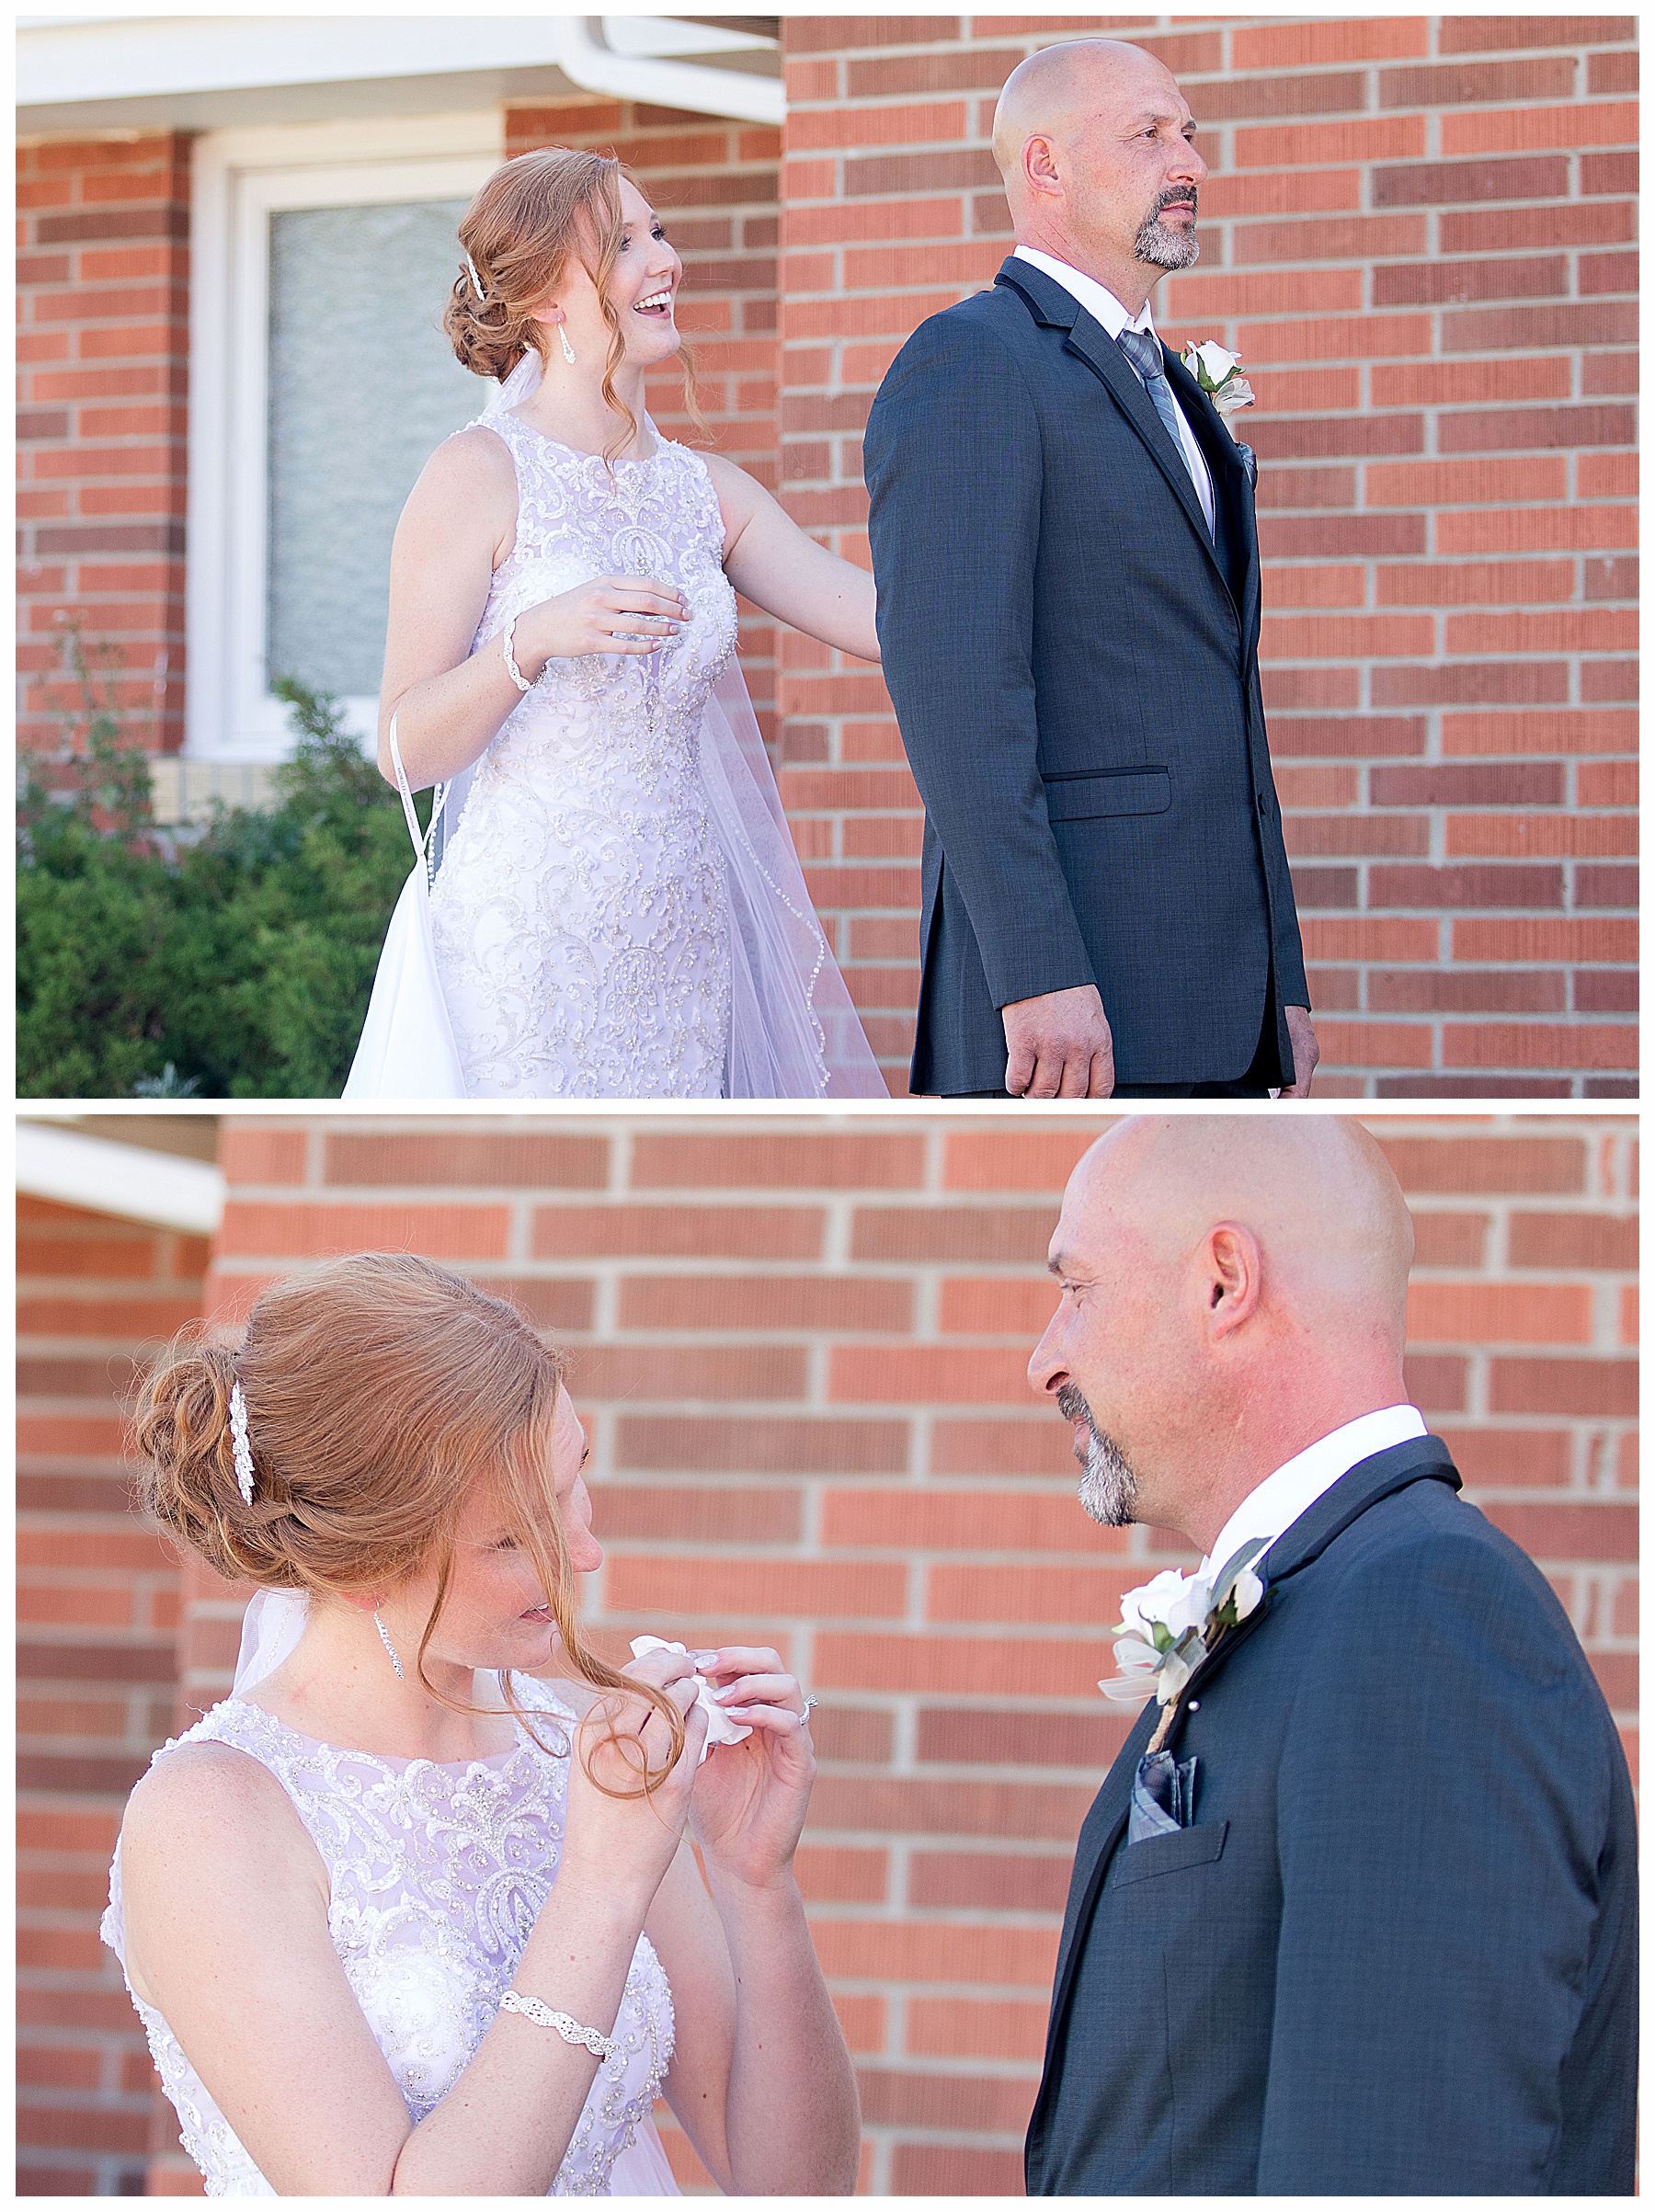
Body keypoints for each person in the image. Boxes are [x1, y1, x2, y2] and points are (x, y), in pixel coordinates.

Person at [103, 1253, 861, 2196]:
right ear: (363, 1567)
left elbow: (795, 2188)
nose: (583, 1552)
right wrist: (601, 1882)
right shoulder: (208, 1821)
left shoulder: (576, 1755)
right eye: (515, 1535)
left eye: (577, 1476)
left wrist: (755, 1878)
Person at [1023, 1118, 1636, 2193]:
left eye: (1076, 1288)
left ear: (1223, 1282)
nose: (1045, 1358)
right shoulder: (1330, 1600)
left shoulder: (1419, 1616)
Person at [352, 148, 885, 1100]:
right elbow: (401, 749)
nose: (665, 260)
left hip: (682, 944)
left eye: (660, 232)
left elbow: (883, 621)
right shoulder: (476, 474)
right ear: (549, 297)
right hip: (526, 945)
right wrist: (533, 639)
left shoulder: (708, 492)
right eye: (626, 243)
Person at [864, 40, 1317, 1100]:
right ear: (1046, 167)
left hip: (1216, 997)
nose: (1188, 161)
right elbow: (957, 695)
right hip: (1068, 1013)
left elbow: (1225, 705)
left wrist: (1279, 980)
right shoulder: (972, 362)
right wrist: (1036, 969)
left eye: (1189, 133)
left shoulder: (1177, 389)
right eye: (1148, 135)